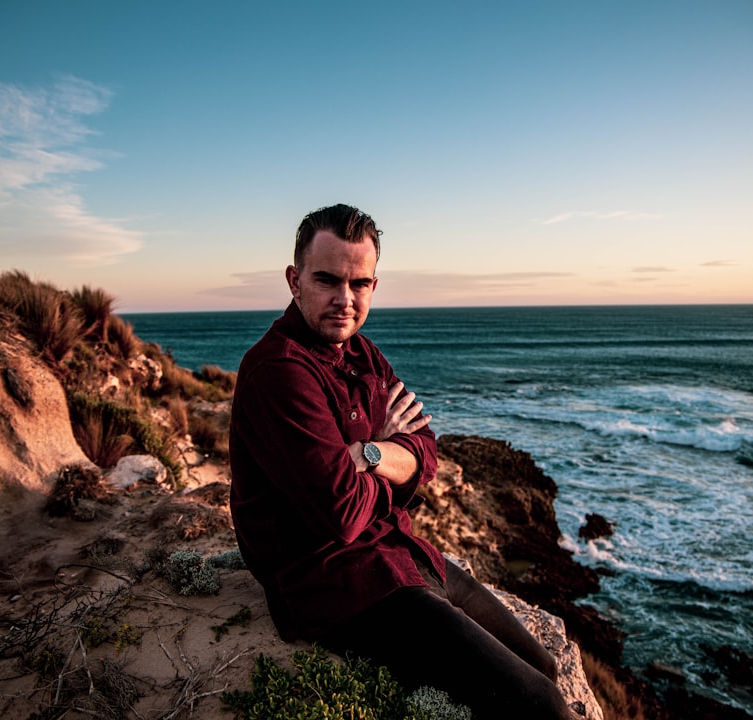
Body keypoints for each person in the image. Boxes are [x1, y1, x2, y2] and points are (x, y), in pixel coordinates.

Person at [229, 204, 576, 719]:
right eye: (327, 280)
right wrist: (391, 455)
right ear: (294, 280)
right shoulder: (280, 372)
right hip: (338, 588)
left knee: (543, 667)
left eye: (360, 283)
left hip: (402, 553)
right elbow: (342, 516)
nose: (344, 300)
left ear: (374, 284)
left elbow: (427, 452)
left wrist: (368, 452)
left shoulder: (363, 354)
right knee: (540, 704)